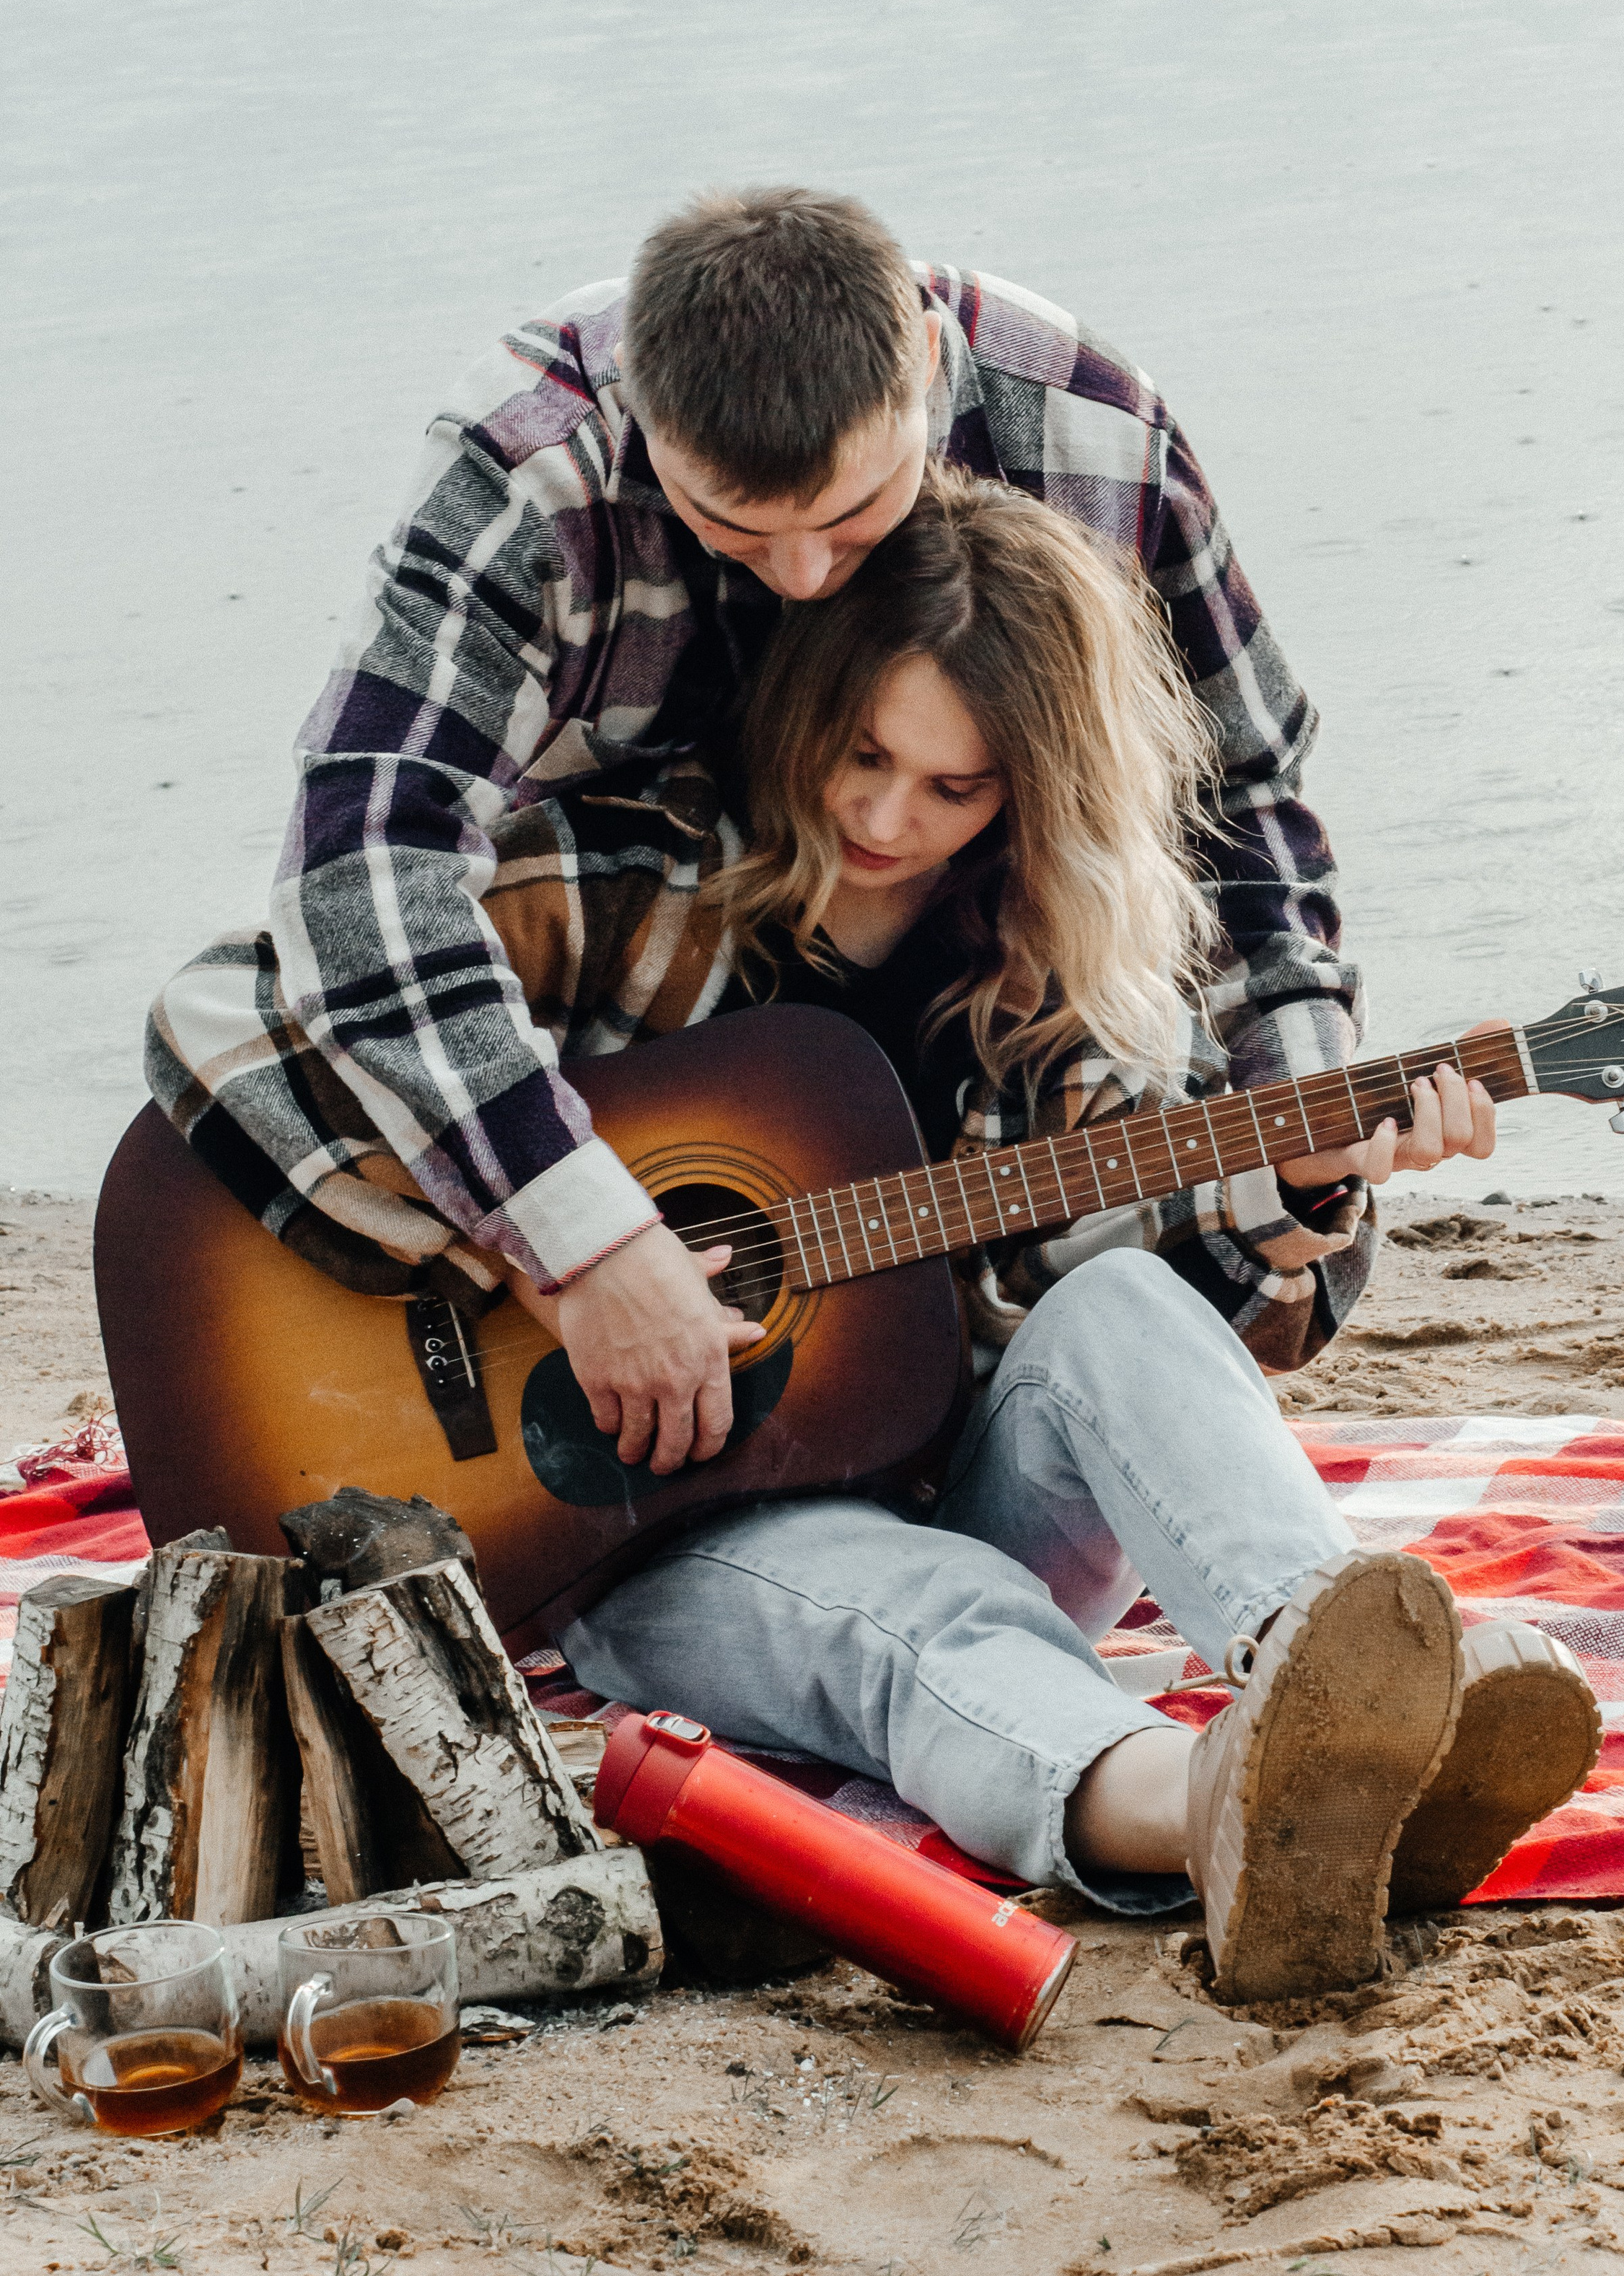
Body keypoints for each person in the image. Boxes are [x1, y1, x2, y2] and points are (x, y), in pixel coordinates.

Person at [152, 468, 1597, 2001]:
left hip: (940, 1477)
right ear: (806, 709)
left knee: (1116, 1309)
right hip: (649, 1541)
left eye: (954, 788)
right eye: (861, 756)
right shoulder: (620, 885)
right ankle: (1213, 1808)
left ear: (1028, 794)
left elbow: (1171, 1351)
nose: (887, 818)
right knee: (918, 1613)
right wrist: (546, 1253)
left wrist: (1299, 1196)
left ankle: (1343, 1692)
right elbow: (214, 1019)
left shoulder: (1058, 1012)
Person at [148, 186, 1497, 1495]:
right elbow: (365, 870)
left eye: (854, 519)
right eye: (732, 528)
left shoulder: (1092, 437)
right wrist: (573, 1242)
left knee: (1095, 1284)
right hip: (614, 1015)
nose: (801, 579)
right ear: (639, 414)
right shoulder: (527, 479)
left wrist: (1305, 1096)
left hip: (971, 1008)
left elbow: (1245, 803)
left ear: (921, 362)